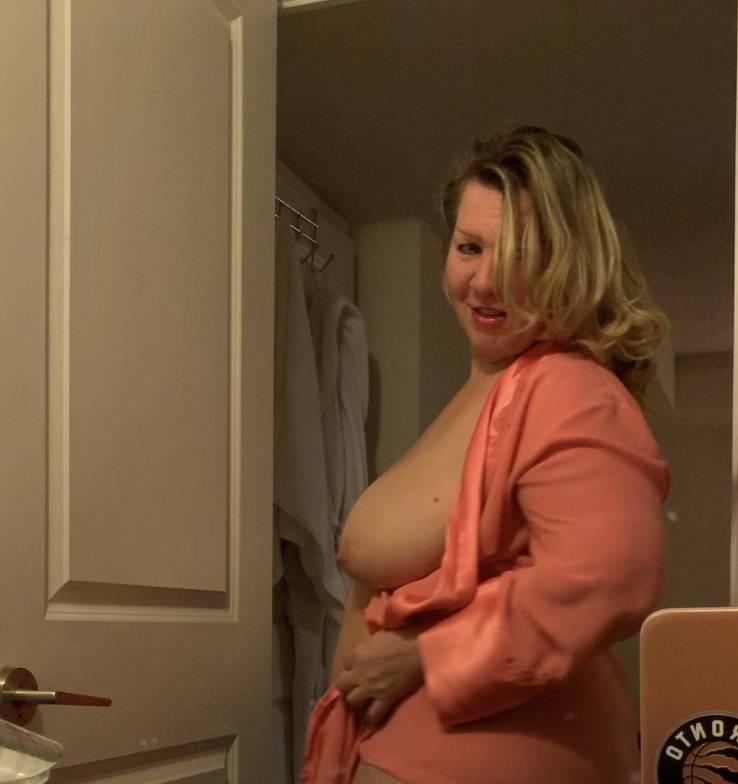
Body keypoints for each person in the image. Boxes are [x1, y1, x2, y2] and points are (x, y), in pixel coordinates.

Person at [300, 126, 670, 784]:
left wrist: (426, 657)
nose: (486, 279)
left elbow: (606, 578)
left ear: (571, 263)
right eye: (469, 247)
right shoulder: (489, 394)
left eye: (524, 253)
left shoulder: (570, 389)